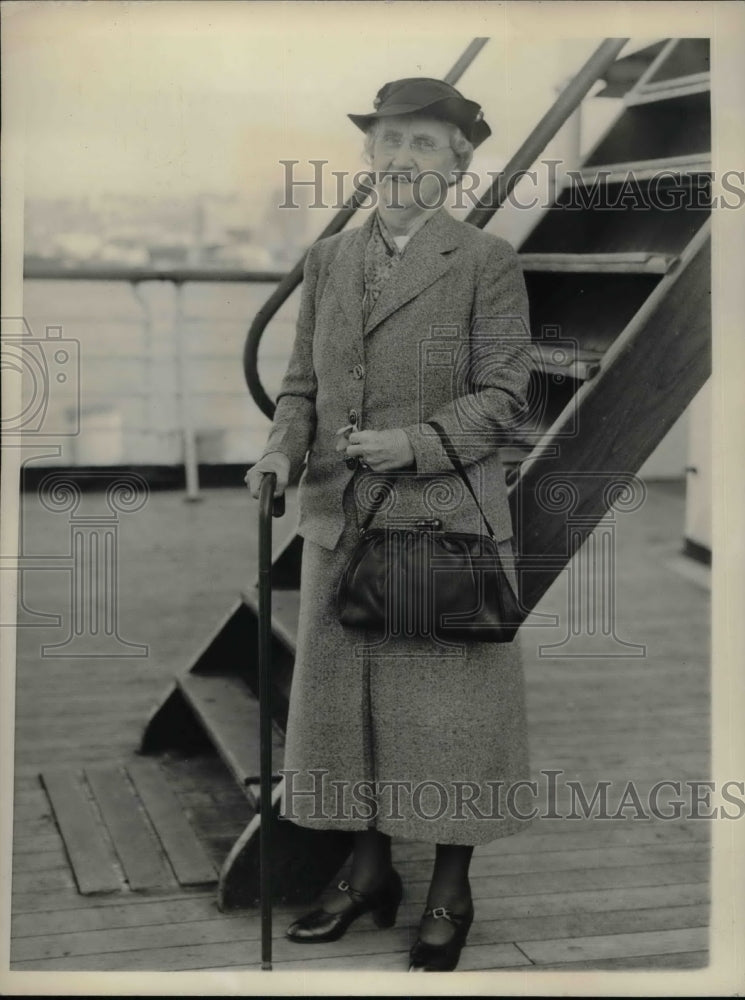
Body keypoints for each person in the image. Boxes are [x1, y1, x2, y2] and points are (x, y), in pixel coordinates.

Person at [246, 77, 533, 972]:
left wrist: (415, 442)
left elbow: (504, 396)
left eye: (424, 144)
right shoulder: (329, 261)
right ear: (369, 154)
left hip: (442, 519)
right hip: (342, 521)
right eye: (391, 141)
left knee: (448, 721)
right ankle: (367, 872)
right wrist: (276, 456)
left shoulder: (486, 260)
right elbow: (300, 387)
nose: (403, 159)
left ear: (456, 162)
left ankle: (450, 887)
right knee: (349, 716)